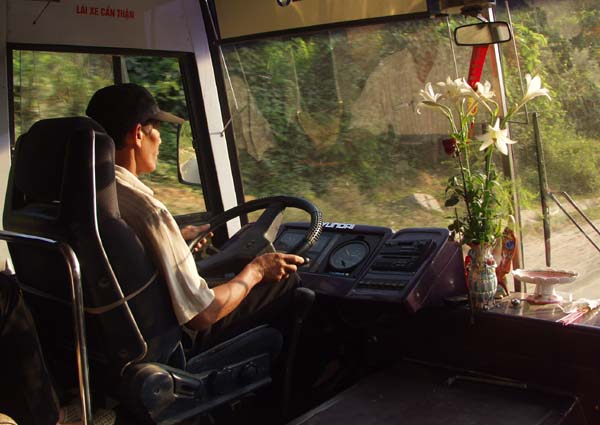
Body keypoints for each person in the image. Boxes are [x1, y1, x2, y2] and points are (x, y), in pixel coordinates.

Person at [85, 83, 304, 352]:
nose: (161, 139)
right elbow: (204, 314)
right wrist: (257, 270)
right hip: (172, 341)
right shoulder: (147, 210)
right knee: (286, 282)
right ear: (138, 135)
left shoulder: (90, 195)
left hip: (110, 343)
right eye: (158, 129)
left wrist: (175, 238)